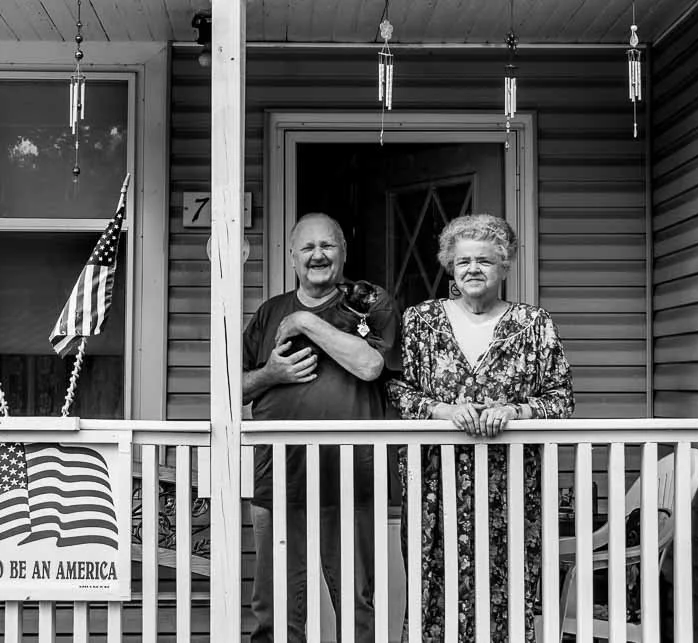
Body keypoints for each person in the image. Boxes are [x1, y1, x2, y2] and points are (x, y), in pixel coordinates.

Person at [386, 213, 574, 642]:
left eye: (485, 261)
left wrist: (514, 413)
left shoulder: (533, 325)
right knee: (433, 589)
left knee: (508, 589)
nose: (473, 269)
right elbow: (397, 391)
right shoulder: (420, 321)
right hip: (434, 484)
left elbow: (561, 399)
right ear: (450, 266)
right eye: (464, 260)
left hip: (509, 485)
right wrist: (442, 411)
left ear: (504, 268)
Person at [243, 212, 400, 643]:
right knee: (276, 605)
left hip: (349, 476)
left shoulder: (370, 302)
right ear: (292, 256)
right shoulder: (269, 312)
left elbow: (371, 365)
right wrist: (270, 374)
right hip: (280, 477)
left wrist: (307, 321)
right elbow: (230, 389)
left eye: (328, 246)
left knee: (356, 600)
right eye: (308, 247)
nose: (318, 255)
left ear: (343, 253)